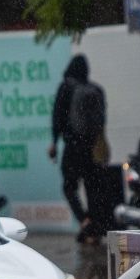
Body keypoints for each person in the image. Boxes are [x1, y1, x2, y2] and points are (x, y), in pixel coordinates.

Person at [48, 56, 109, 242]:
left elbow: (57, 117)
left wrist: (54, 142)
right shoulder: (96, 89)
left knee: (69, 186)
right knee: (92, 187)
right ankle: (93, 228)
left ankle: (84, 221)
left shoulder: (66, 88)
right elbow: (102, 120)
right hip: (93, 146)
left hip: (73, 146)